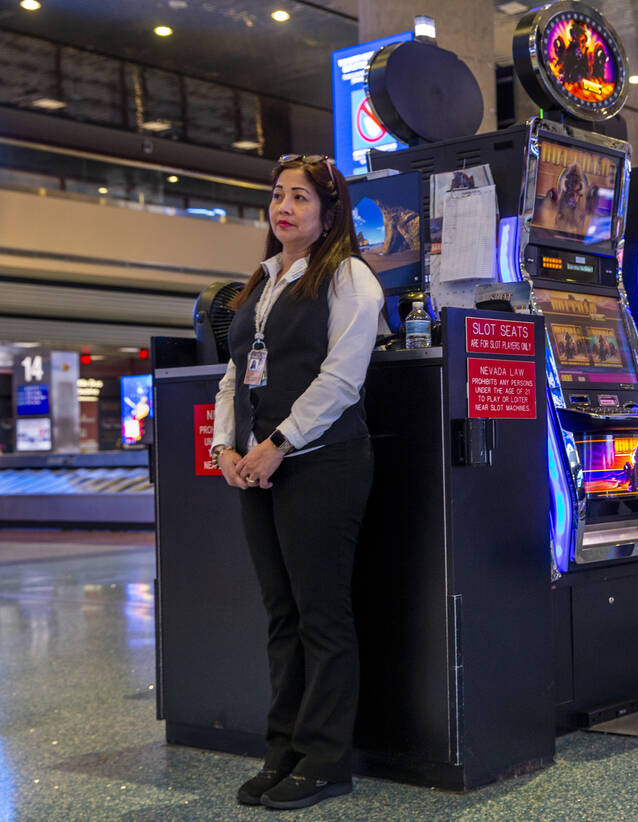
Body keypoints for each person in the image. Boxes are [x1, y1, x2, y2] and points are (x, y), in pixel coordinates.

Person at [208, 154, 384, 811]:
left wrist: (277, 444)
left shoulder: (350, 278)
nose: (286, 208)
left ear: (329, 212)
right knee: (281, 615)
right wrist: (226, 447)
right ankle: (281, 751)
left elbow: (341, 380)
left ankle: (325, 760)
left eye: (301, 198)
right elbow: (234, 374)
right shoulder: (262, 279)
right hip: (261, 468)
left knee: (322, 617)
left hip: (324, 464)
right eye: (279, 196)